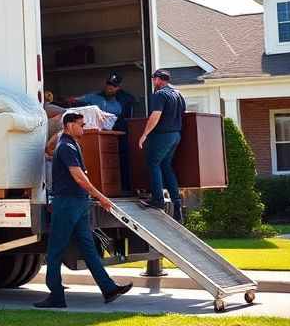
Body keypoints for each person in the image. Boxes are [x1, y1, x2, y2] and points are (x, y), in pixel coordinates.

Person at [34, 112, 133, 309]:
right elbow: (79, 178)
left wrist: (61, 131)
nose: (84, 127)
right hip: (70, 204)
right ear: (69, 125)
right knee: (56, 251)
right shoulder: (67, 147)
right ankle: (56, 296)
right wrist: (101, 197)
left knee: (85, 250)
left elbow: (51, 150)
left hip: (76, 204)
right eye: (80, 124)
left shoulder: (70, 145)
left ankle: (108, 288)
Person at [139, 70, 186, 222]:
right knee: (166, 166)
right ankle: (177, 203)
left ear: (158, 79)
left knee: (153, 163)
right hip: (176, 135)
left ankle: (158, 199)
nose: (153, 82)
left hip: (162, 135)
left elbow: (156, 115)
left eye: (154, 79)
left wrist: (145, 134)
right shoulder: (178, 94)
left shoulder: (159, 95)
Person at [75, 72, 136, 190]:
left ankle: (124, 187)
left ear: (118, 87)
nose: (109, 87)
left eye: (113, 86)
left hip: (117, 135)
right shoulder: (95, 97)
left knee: (122, 161)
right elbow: (76, 101)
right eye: (108, 84)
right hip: (98, 136)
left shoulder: (124, 99)